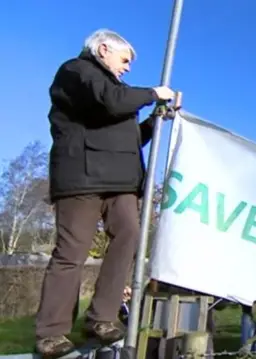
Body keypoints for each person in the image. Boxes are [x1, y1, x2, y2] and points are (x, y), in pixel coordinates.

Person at [35, 29, 175, 357]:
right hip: (82, 178)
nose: (127, 68)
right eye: (124, 60)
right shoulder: (77, 72)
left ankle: (102, 317)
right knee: (72, 252)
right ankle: (51, 333)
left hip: (121, 182)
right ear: (103, 49)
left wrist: (155, 122)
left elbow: (126, 137)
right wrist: (154, 93)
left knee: (129, 234)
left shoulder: (118, 89)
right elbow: (109, 104)